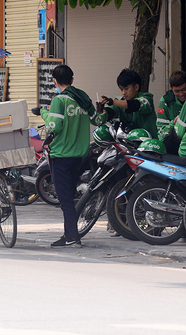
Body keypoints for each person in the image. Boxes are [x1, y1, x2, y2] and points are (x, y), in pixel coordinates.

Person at [41, 64, 104, 248]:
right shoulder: (82, 98)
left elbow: (54, 127)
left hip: (61, 155)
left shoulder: (59, 101)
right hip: (80, 155)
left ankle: (72, 236)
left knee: (65, 198)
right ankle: (69, 233)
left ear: (54, 81)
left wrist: (44, 113)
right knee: (69, 196)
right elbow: (98, 120)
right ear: (72, 80)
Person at [97, 68, 157, 138]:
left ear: (136, 87)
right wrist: (102, 111)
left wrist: (112, 101)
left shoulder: (147, 98)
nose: (123, 93)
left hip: (149, 144)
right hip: (129, 145)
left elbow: (135, 105)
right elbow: (110, 111)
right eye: (121, 89)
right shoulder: (119, 100)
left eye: (126, 88)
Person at [156, 71, 186, 154]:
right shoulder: (165, 101)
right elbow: (161, 133)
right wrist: (174, 123)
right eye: (177, 91)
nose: (181, 94)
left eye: (184, 90)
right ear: (171, 87)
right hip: (171, 144)